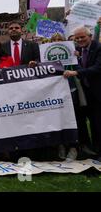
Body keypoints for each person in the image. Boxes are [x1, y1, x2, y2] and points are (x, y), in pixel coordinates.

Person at [63, 27, 101, 161]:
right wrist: (77, 63)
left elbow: (97, 68)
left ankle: (99, 152)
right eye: (77, 38)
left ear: (90, 36)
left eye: (82, 37)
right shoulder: (77, 50)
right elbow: (78, 66)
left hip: (97, 93)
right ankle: (90, 150)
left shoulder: (98, 48)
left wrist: (77, 72)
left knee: (97, 124)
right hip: (84, 94)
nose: (79, 40)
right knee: (84, 123)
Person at [50, 33, 79, 161]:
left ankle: (74, 147)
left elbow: (80, 68)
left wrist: (78, 56)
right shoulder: (46, 55)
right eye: (54, 40)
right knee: (58, 118)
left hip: (71, 89)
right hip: (54, 91)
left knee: (73, 117)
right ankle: (61, 144)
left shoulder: (72, 54)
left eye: (59, 40)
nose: (57, 41)